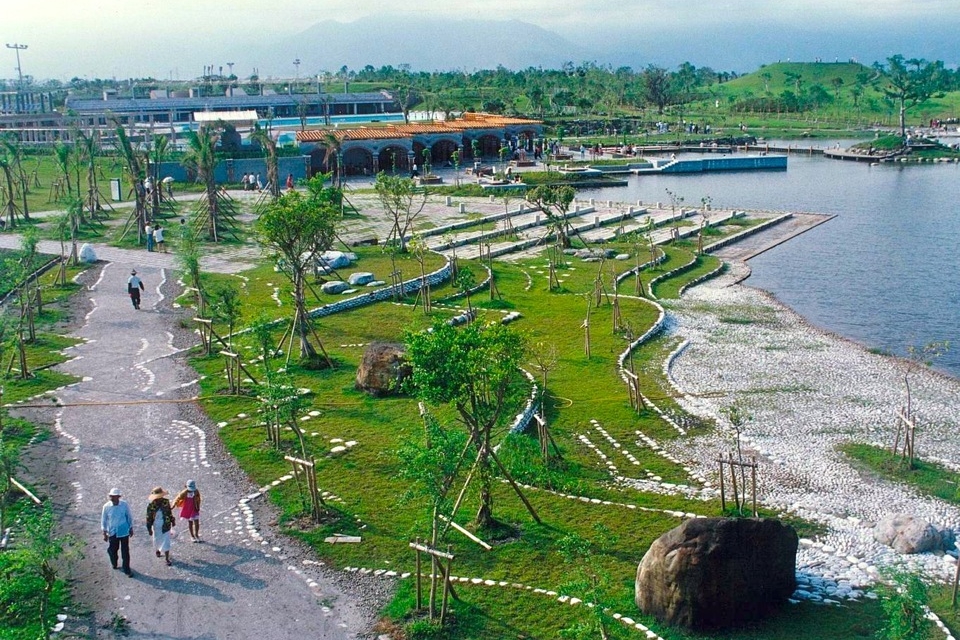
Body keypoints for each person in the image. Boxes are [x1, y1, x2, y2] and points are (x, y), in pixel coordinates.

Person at [101, 487, 134, 576]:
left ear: (118, 497)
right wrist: (104, 533)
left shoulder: (124, 505)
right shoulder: (106, 507)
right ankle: (114, 562)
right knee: (113, 550)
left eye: (114, 496)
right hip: (112, 532)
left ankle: (127, 569)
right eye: (111, 496)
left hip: (124, 531)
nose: (112, 498)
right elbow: (104, 520)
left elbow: (129, 516)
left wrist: (131, 528)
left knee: (125, 551)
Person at [146, 487, 175, 566]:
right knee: (157, 539)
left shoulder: (166, 502)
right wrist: (149, 528)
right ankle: (158, 550)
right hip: (156, 525)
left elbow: (169, 512)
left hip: (166, 524)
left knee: (166, 541)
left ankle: (166, 558)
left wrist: (172, 520)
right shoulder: (151, 505)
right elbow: (149, 518)